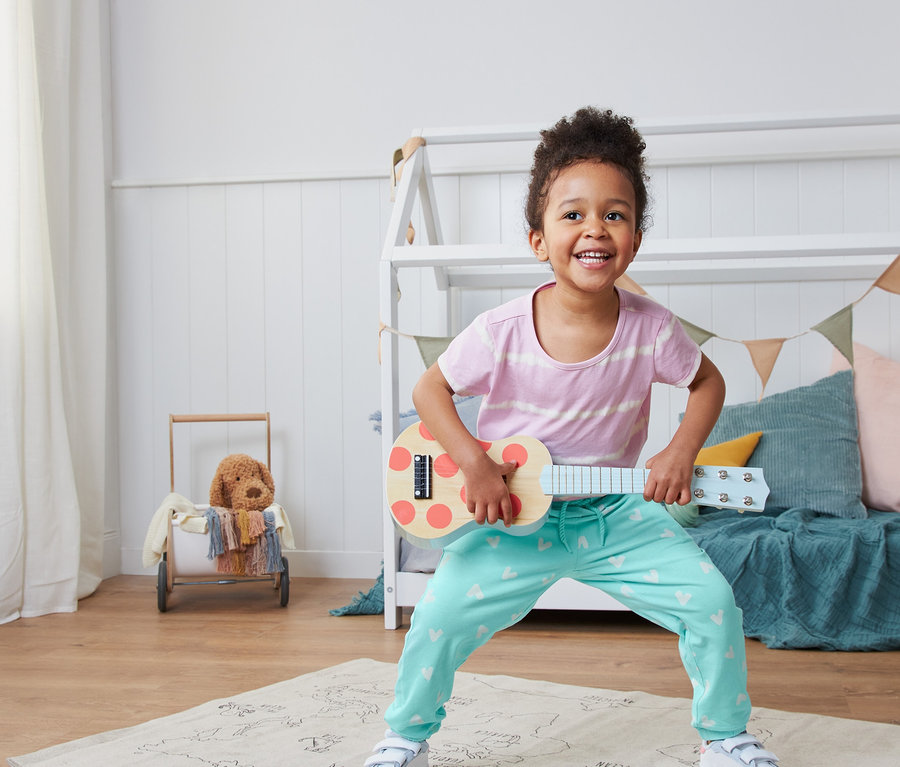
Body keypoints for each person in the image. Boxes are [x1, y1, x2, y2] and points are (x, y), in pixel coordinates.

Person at [365, 107, 780, 767]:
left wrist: (680, 451)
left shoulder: (652, 329)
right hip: (510, 516)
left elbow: (708, 383)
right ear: (538, 240)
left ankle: (726, 735)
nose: (595, 228)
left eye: (615, 214)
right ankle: (404, 737)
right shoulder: (499, 330)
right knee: (439, 615)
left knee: (711, 600)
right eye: (573, 214)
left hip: (616, 516)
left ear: (635, 240)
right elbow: (427, 390)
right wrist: (472, 462)